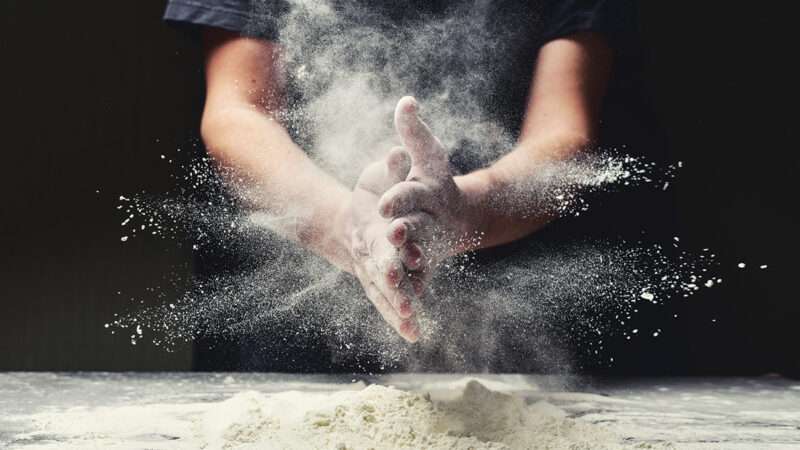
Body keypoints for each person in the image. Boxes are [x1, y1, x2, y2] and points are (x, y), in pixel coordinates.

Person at [164, 0, 678, 372]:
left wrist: (463, 210)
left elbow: (563, 133)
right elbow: (238, 113)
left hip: (532, 274)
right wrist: (344, 225)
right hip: (301, 306)